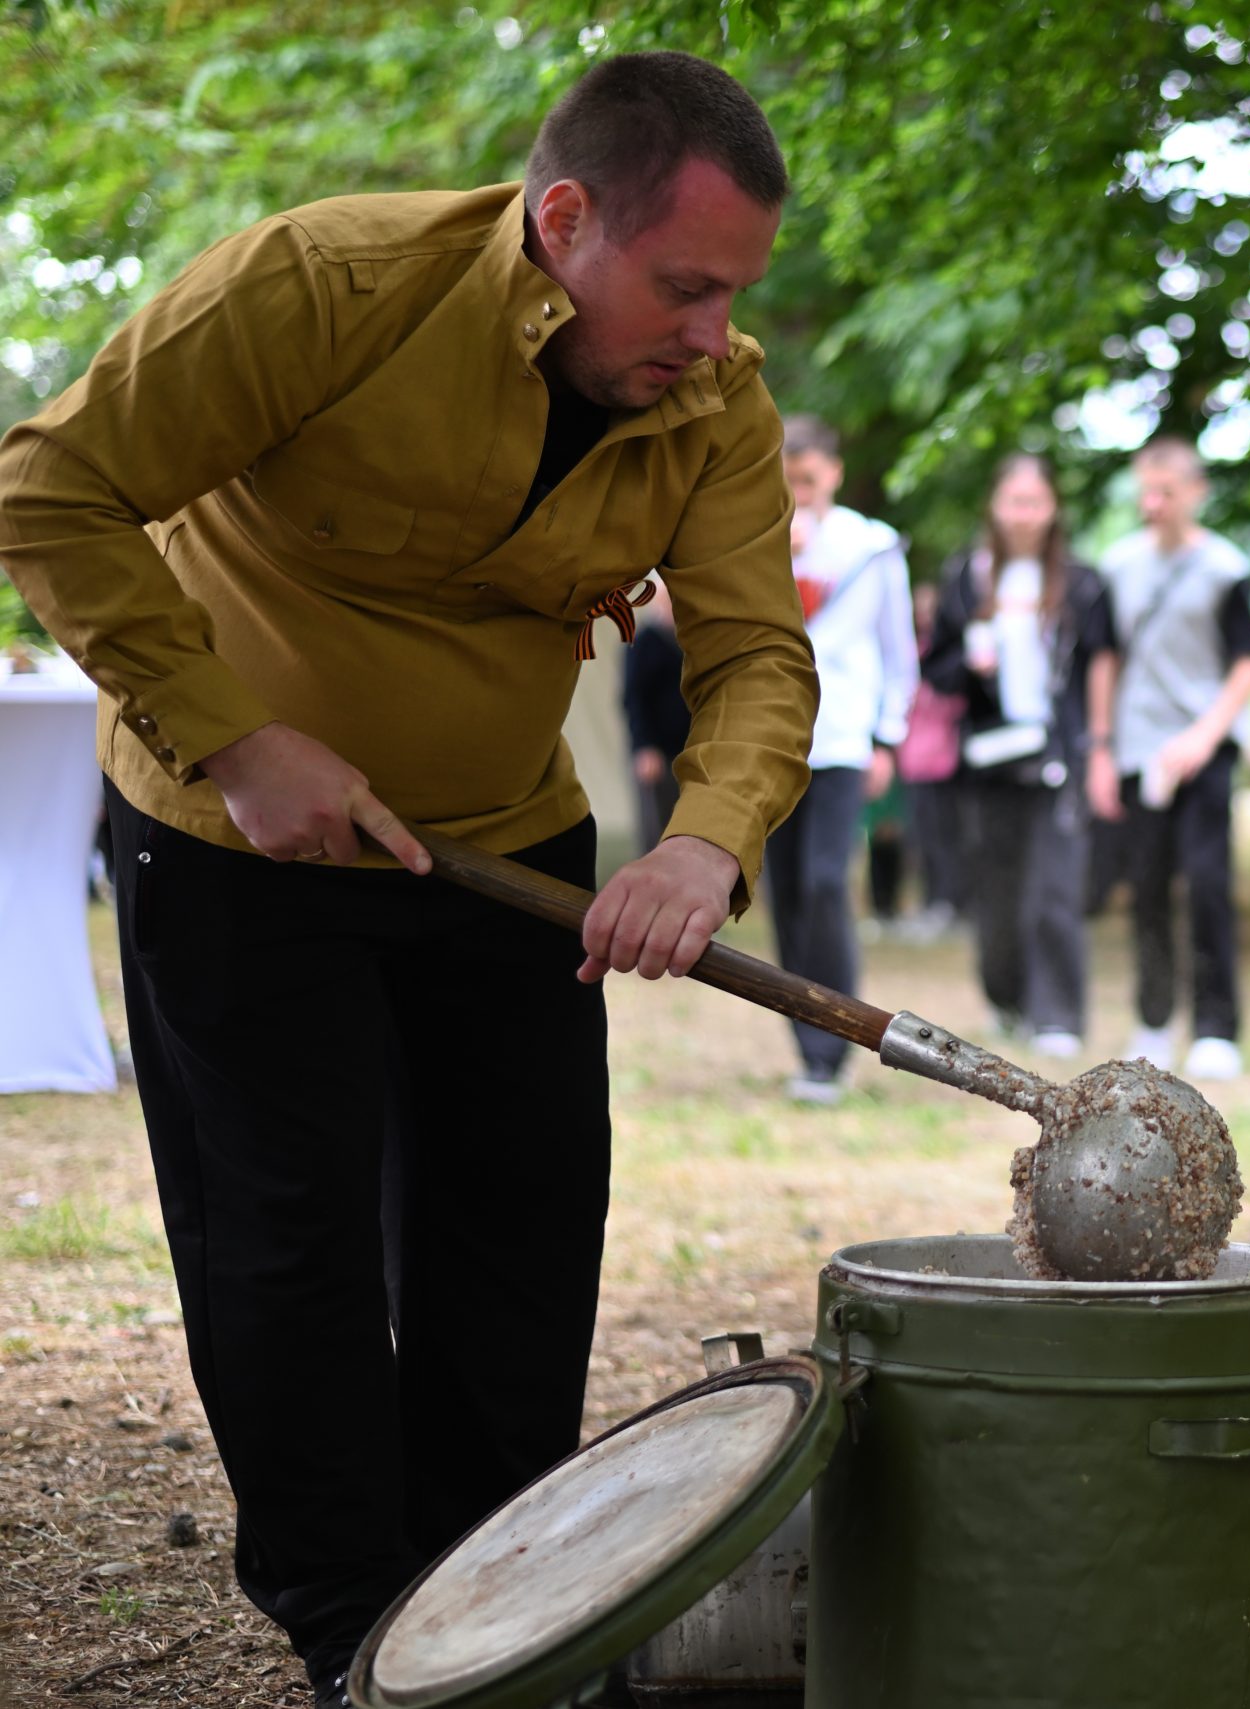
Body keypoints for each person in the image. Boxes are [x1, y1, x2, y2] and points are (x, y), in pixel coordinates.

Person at [0, 54, 815, 1706]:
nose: (715, 336)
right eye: (686, 286)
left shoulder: (715, 406)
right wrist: (236, 737)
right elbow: (50, 487)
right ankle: (357, 1631)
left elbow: (753, 656)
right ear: (563, 219)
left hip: (504, 843)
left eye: (735, 295)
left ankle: (504, 1601)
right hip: (235, 837)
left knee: (516, 1229)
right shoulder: (324, 285)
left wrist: (702, 839)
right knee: (284, 1241)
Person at [922, 453, 1120, 1055]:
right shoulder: (969, 576)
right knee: (997, 887)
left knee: (1056, 884)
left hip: (1059, 753)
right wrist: (972, 662)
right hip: (988, 756)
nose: (1025, 514)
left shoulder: (1082, 583)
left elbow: (1102, 663)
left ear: (1053, 507)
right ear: (995, 507)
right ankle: (1007, 1001)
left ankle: (1058, 1015)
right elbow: (938, 669)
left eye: (1035, 501)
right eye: (1014, 501)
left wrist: (1100, 746)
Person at [1100, 436, 1250, 1079]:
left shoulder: (1225, 568)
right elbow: (1105, 661)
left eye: (1167, 491)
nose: (1154, 503)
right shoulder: (1117, 568)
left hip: (1205, 750)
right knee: (1145, 888)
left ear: (1196, 492)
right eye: (1145, 489)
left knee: (1208, 885)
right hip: (1139, 750)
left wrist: (1205, 734)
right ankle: (1153, 1018)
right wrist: (1102, 748)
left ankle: (1218, 1029)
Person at [765, 415, 916, 1104]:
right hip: (768, 738)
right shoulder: (751, 531)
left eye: (807, 476)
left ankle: (836, 1038)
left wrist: (888, 734)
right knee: (787, 889)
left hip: (844, 736)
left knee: (827, 881)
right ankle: (807, 1043)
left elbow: (897, 646)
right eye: (784, 477)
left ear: (832, 472)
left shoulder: (872, 546)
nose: (797, 489)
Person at [894, 577, 970, 939]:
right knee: (921, 840)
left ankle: (948, 902)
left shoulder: (949, 661)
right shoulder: (909, 655)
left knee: (946, 839)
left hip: (943, 763)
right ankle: (930, 902)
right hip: (913, 763)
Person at [621, 574, 689, 852]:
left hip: (691, 751)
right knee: (657, 833)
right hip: (658, 755)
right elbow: (633, 698)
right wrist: (644, 747)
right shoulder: (646, 641)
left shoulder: (693, 643)